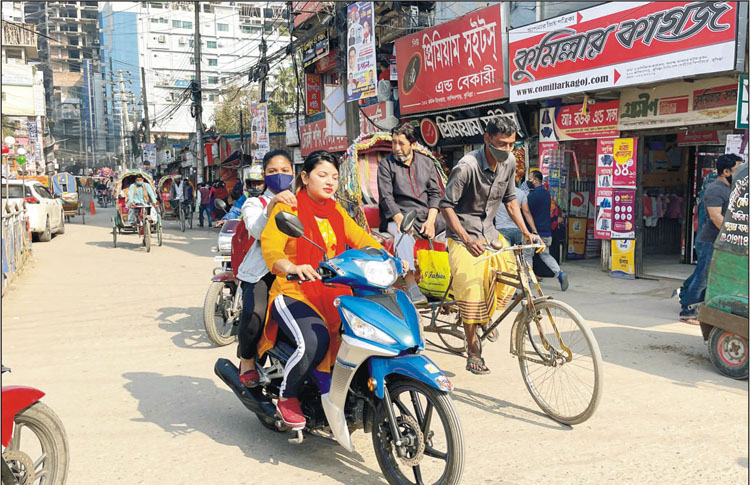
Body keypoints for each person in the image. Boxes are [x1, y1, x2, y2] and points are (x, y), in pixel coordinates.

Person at [258, 151, 383, 429]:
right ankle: (287, 396)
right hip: (293, 290)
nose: (330, 182)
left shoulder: (335, 209)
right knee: (316, 341)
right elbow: (271, 250)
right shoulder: (287, 208)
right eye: (322, 175)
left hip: (334, 291)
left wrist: (389, 257)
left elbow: (360, 238)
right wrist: (291, 266)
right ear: (305, 177)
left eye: (335, 177)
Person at [439, 117, 544, 375]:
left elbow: (510, 200)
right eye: (501, 144)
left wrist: (527, 233)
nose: (507, 150)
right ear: (487, 139)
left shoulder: (509, 162)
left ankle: (486, 316)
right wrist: (465, 238)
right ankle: (473, 348)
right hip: (463, 237)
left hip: (490, 233)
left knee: (514, 275)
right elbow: (445, 206)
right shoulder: (466, 166)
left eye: (510, 144)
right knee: (472, 284)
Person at [236, 150, 297, 388]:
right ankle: (247, 361)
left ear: (294, 173)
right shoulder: (255, 203)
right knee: (255, 314)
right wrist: (272, 203)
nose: (279, 175)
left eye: (284, 170)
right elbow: (257, 232)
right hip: (262, 273)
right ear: (264, 176)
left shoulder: (302, 199)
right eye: (272, 171)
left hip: (296, 270)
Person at [377, 122, 444, 304]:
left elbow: (434, 194)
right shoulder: (386, 165)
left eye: (401, 143)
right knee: (403, 234)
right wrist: (400, 219)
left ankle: (450, 280)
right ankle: (410, 282)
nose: (396, 148)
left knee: (453, 228)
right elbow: (386, 198)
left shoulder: (426, 162)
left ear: (413, 144)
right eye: (394, 143)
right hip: (398, 216)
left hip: (425, 216)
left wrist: (431, 221)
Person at [680, 154, 742, 324]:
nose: (739, 173)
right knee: (703, 276)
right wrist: (734, 233)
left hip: (721, 240)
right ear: (726, 171)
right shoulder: (715, 189)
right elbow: (716, 217)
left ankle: (685, 294)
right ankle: (687, 311)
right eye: (737, 170)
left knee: (705, 274)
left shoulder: (731, 188)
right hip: (710, 240)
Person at [527, 170, 569, 291]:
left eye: (530, 179)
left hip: (533, 232)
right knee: (545, 254)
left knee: (527, 255)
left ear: (535, 180)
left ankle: (528, 282)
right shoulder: (546, 194)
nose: (529, 181)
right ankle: (559, 273)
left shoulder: (532, 195)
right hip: (546, 231)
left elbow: (527, 212)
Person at [495, 179, 536, 263]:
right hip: (517, 229)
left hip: (501, 229)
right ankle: (520, 273)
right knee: (518, 256)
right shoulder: (521, 193)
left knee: (505, 257)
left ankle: (509, 274)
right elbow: (527, 213)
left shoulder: (497, 192)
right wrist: (534, 231)